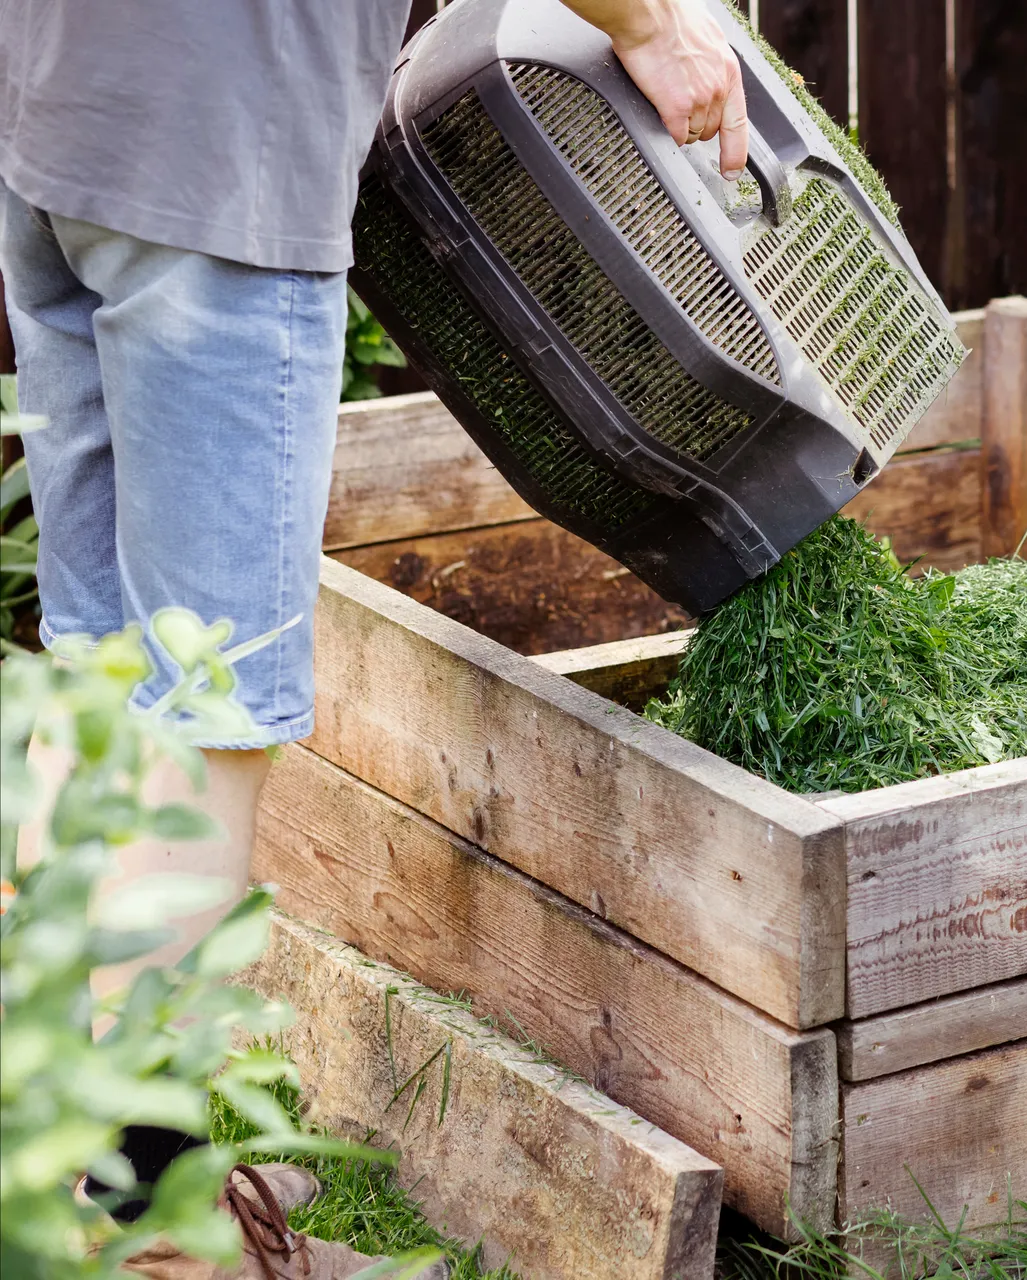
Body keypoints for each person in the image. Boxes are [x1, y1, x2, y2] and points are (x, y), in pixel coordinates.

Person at [0, 1, 747, 1274]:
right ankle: (156, 1236)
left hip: (62, 128)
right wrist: (656, 25)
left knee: (107, 672)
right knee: (205, 722)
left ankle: (66, 1168)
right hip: (219, 161)